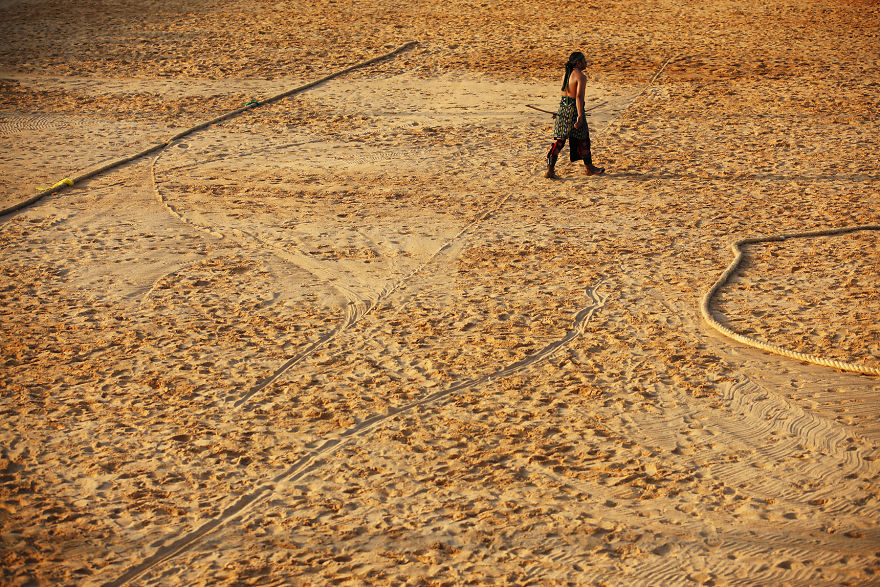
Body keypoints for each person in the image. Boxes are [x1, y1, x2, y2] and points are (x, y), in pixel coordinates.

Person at [545, 51, 605, 179]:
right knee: (583, 139)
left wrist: (561, 112)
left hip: (563, 110)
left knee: (560, 141)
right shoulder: (581, 77)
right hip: (574, 111)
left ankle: (550, 169)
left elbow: (565, 95)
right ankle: (589, 168)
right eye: (584, 61)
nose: (586, 63)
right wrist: (580, 115)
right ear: (578, 63)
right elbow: (578, 97)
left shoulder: (565, 74)